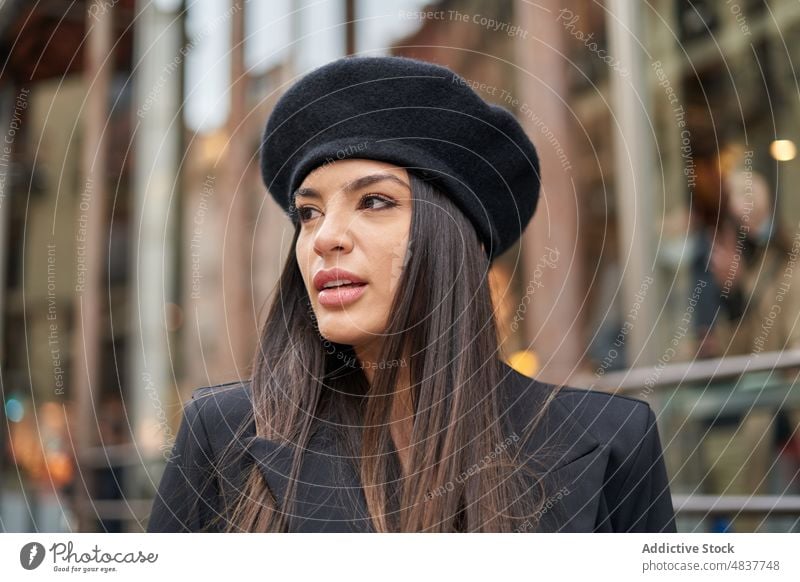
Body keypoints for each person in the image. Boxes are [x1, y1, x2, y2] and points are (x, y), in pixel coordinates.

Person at [146, 55, 676, 533]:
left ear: (450, 236)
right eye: (309, 212)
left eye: (374, 201)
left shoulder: (613, 441)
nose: (325, 236)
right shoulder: (223, 436)